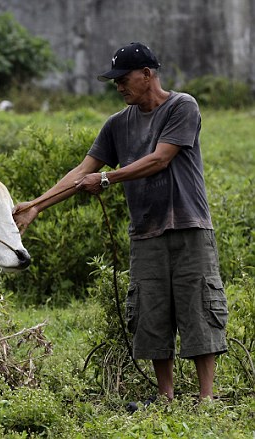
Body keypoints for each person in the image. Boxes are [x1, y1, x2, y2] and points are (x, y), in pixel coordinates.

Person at [13, 42, 228, 405]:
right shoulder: (116, 125)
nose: (119, 88)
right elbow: (82, 173)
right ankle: (166, 397)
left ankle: (207, 399)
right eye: (115, 82)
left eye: (124, 79)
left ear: (147, 74)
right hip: (145, 231)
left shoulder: (182, 106)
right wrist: (36, 206)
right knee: (151, 312)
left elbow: (159, 159)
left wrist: (110, 180)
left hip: (189, 226)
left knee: (198, 308)